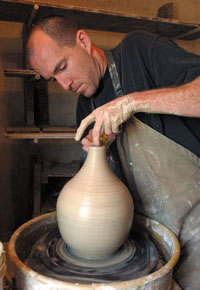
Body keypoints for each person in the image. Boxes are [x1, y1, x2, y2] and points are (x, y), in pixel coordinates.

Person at [26, 15, 200, 290]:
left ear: (83, 41)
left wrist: (133, 102)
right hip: (150, 243)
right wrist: (101, 153)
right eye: (53, 78)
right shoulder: (86, 110)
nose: (64, 84)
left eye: (62, 67)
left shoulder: (139, 51)